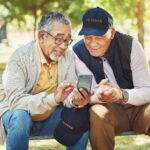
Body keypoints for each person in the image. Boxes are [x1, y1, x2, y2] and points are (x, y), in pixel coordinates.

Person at [0, 12, 90, 150]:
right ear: (42, 36)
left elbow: (67, 95)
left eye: (67, 40)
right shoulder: (20, 57)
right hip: (18, 117)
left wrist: (74, 100)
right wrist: (53, 99)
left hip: (49, 116)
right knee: (21, 117)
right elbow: (16, 102)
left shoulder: (68, 56)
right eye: (59, 39)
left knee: (81, 121)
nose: (63, 46)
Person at [73, 7, 150, 150]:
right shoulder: (77, 52)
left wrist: (121, 94)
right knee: (97, 113)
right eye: (88, 37)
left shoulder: (131, 45)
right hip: (110, 111)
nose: (93, 43)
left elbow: (147, 90)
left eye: (99, 37)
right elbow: (89, 93)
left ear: (112, 32)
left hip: (139, 107)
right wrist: (100, 95)